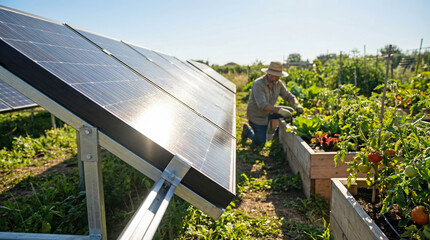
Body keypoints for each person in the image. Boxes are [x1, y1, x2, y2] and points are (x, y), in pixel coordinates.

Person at [242, 61, 303, 146]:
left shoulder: (278, 83)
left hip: (270, 111)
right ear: (269, 74)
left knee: (291, 111)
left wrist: (296, 104)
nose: (278, 78)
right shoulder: (258, 84)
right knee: (261, 142)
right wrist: (280, 111)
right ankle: (247, 131)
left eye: (279, 76)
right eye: (276, 75)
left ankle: (276, 136)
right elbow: (263, 105)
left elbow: (288, 96)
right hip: (257, 116)